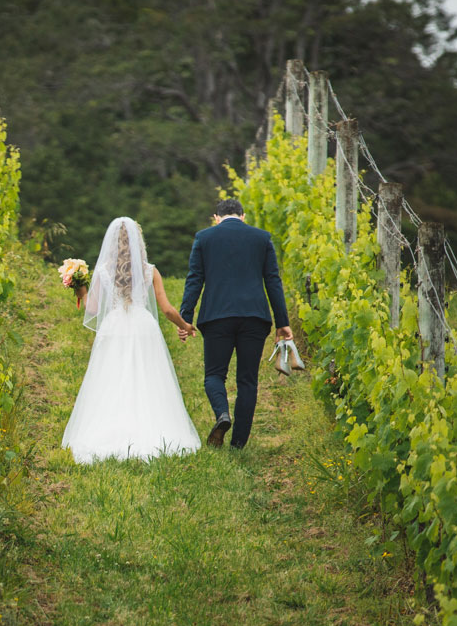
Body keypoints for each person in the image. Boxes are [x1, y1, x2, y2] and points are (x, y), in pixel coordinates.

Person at [59, 216, 202, 463]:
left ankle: (111, 424)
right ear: (139, 242)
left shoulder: (103, 272)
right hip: (142, 326)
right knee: (147, 376)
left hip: (114, 325)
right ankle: (151, 425)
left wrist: (79, 289)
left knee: (112, 376)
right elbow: (167, 309)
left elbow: (92, 309)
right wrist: (185, 325)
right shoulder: (150, 271)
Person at [178, 197, 292, 449]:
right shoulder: (262, 238)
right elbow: (273, 280)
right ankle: (238, 444)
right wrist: (282, 322)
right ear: (243, 216)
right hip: (254, 317)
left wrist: (185, 317)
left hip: (217, 316)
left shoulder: (204, 238)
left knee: (214, 375)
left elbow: (194, 279)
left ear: (216, 218)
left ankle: (222, 413)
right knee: (248, 381)